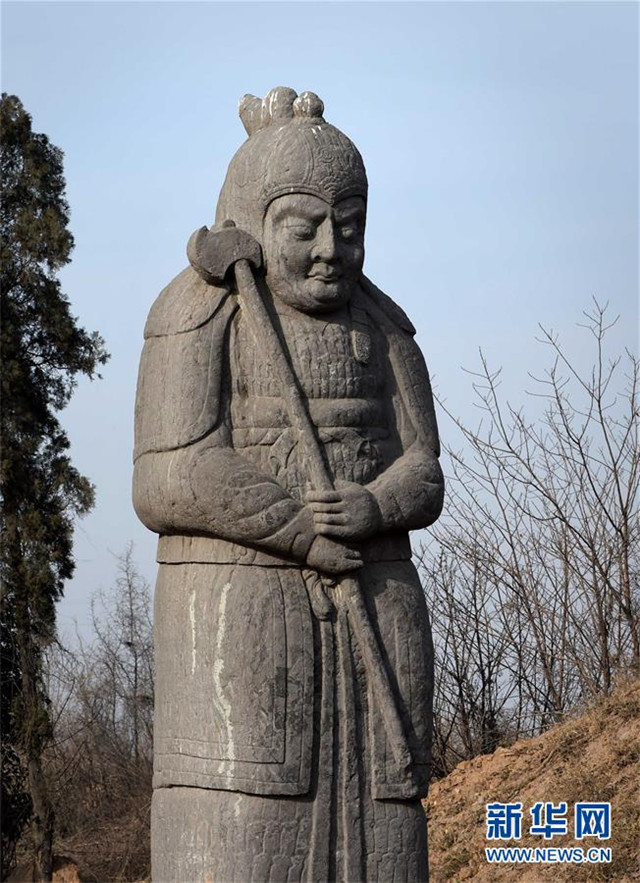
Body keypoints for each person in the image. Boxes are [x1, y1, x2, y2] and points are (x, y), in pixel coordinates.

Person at [133, 87, 444, 883]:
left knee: (384, 836)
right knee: (245, 833)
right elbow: (170, 471)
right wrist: (300, 528)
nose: (330, 248)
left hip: (376, 612)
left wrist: (374, 505)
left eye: (351, 224)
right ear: (255, 221)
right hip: (245, 630)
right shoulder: (202, 310)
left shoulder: (385, 327)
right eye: (303, 225)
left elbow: (424, 469)